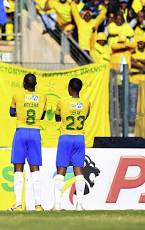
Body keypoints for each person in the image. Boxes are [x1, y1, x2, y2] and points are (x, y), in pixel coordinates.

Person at [9, 74, 47, 211]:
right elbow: (42, 115)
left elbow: (11, 112)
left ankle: (18, 204)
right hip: (35, 132)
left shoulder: (17, 95)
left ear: (24, 83)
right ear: (35, 84)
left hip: (21, 132)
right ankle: (38, 205)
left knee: (18, 169)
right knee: (35, 169)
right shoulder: (42, 97)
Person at [53, 78, 90, 211]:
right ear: (80, 88)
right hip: (79, 137)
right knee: (79, 171)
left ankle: (57, 204)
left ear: (69, 88)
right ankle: (79, 205)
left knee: (61, 171)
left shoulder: (62, 102)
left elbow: (57, 118)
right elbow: (85, 117)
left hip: (65, 137)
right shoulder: (86, 103)